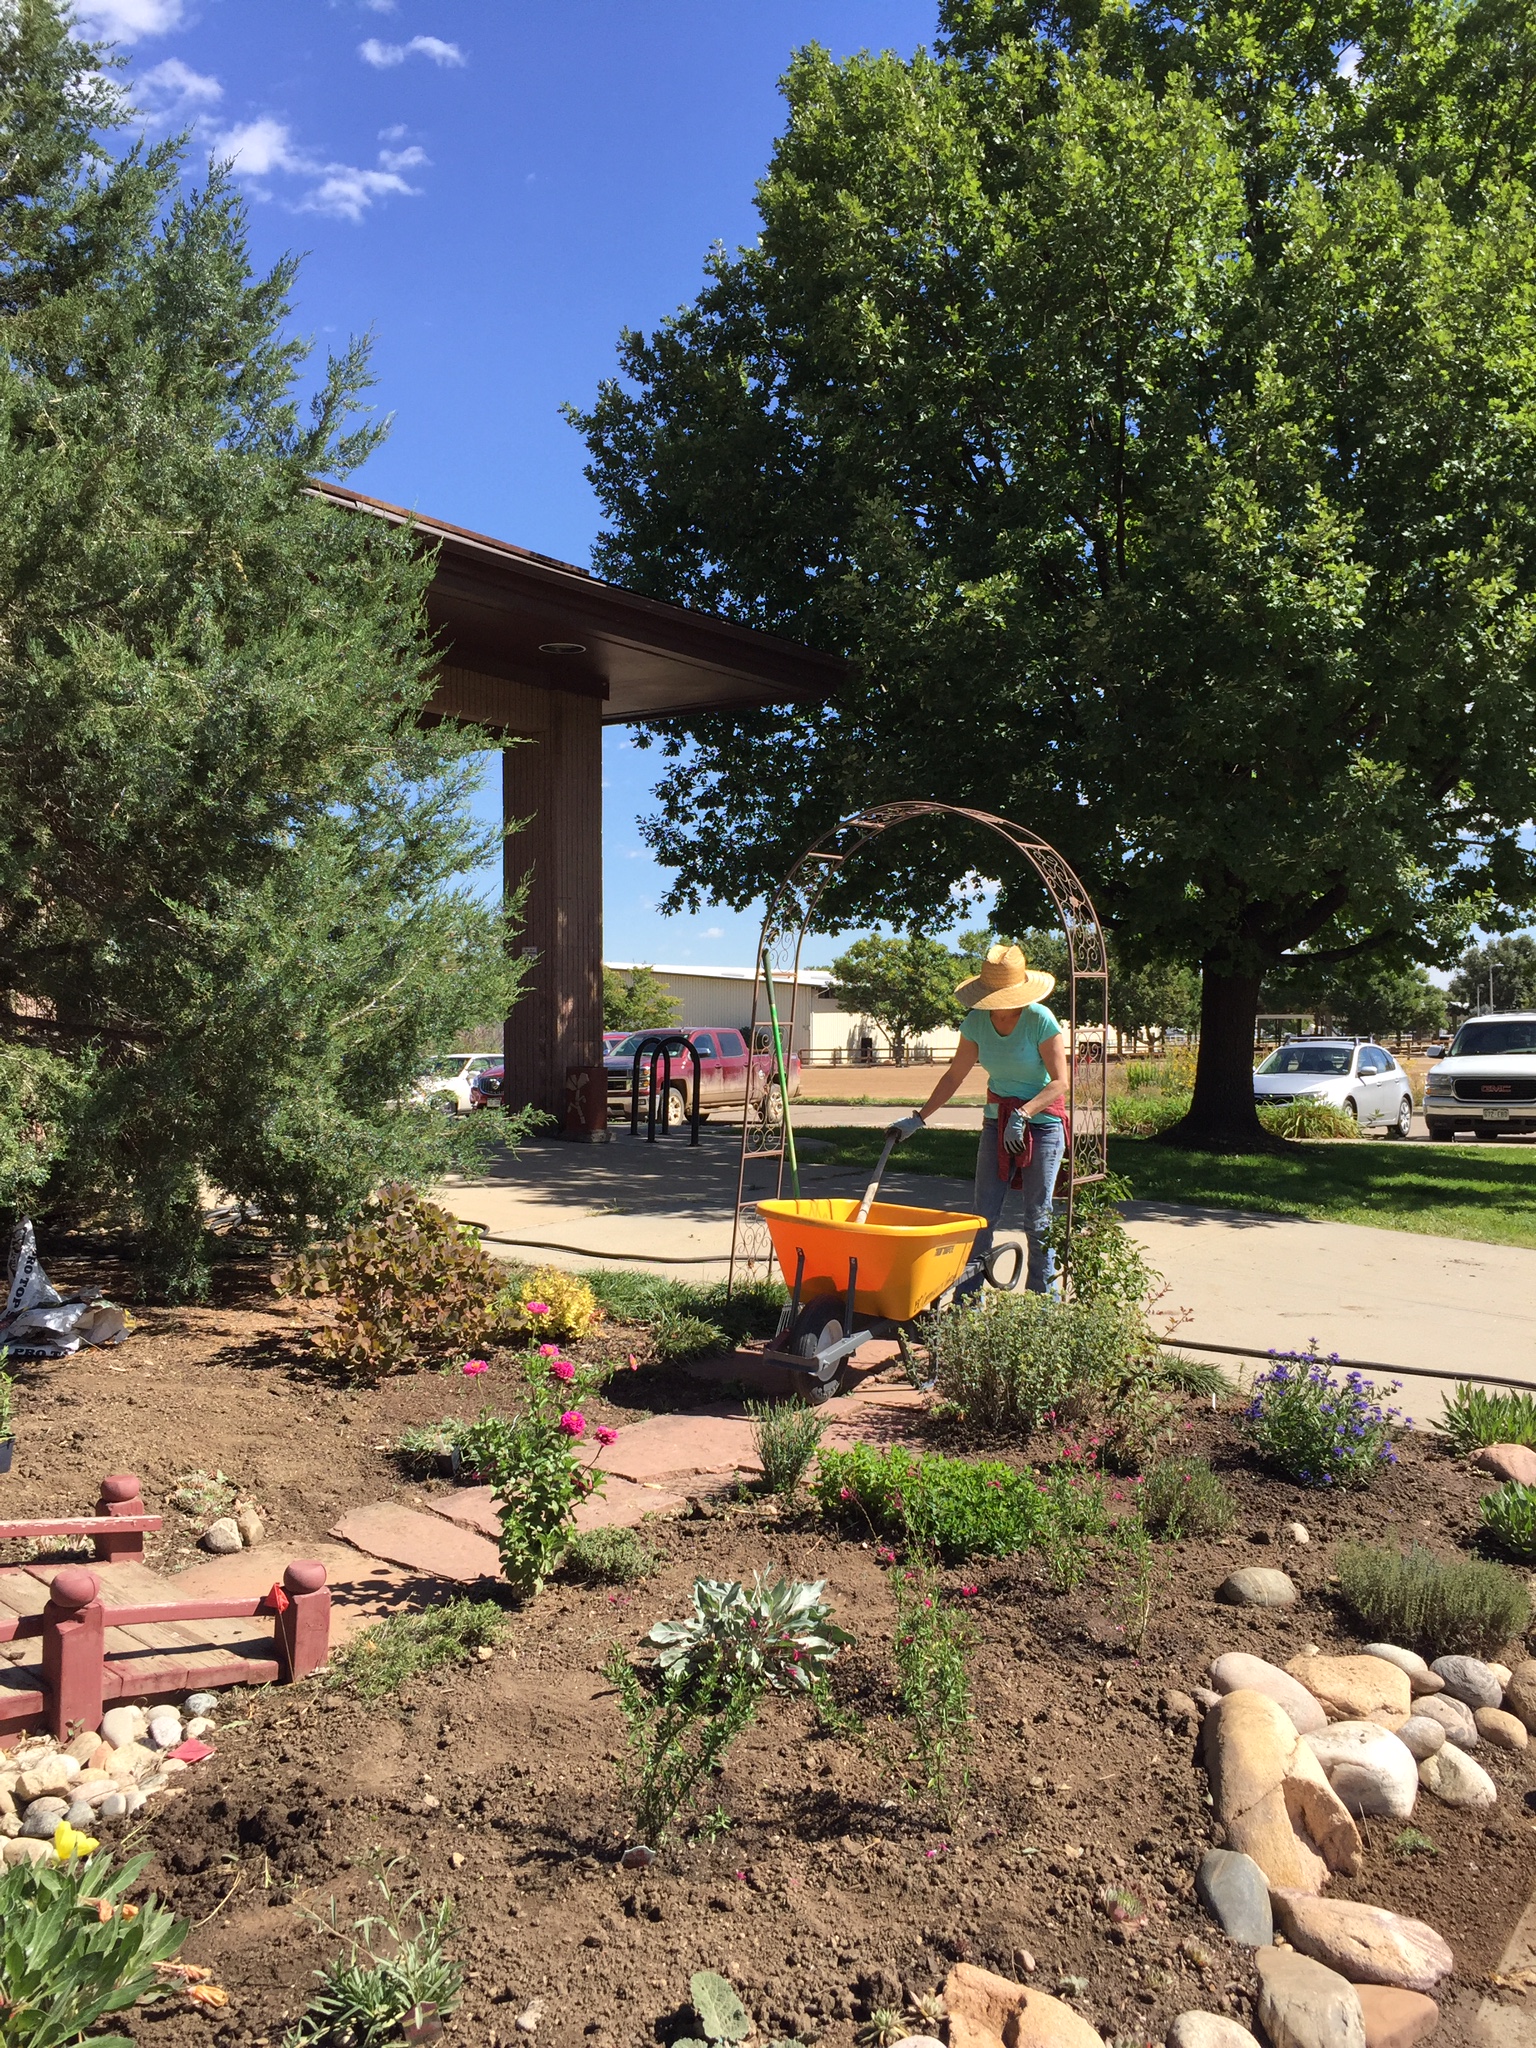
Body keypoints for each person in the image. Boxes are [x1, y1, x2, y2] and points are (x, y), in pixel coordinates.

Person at [887, 943, 1068, 1292]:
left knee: (1037, 1219)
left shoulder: (1040, 1019)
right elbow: (954, 1075)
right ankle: (967, 1301)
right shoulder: (976, 1022)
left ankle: (1043, 1304)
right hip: (997, 1122)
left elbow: (1060, 1082)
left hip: (1042, 1125)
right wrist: (918, 1118)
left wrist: (1024, 1113)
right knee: (981, 1217)